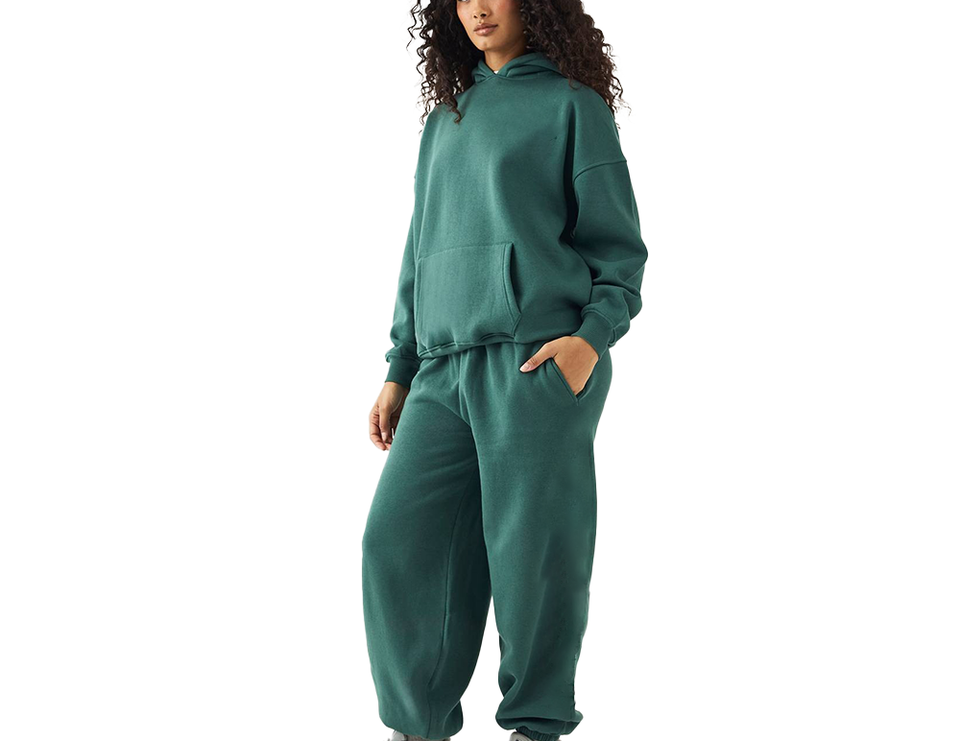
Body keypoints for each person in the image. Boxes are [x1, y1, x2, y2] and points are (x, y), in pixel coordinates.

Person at [362, 1, 648, 740]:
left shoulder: (572, 108)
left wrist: (588, 340)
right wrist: (400, 365)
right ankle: (418, 725)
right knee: (396, 543)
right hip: (441, 370)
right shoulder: (445, 121)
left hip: (535, 362)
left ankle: (536, 724)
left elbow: (619, 251)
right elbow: (419, 251)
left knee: (533, 558)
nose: (479, 9)